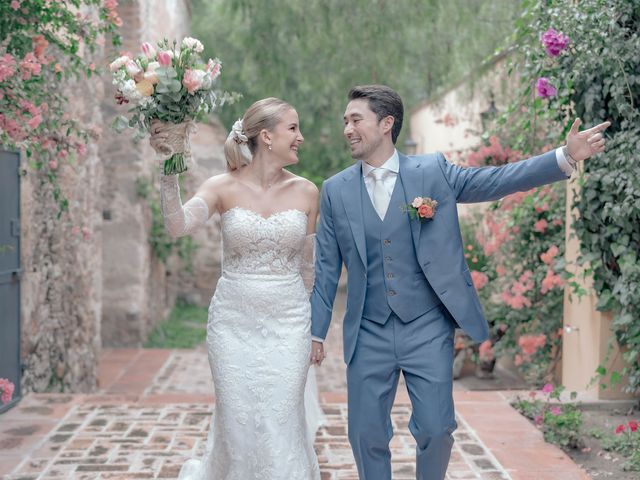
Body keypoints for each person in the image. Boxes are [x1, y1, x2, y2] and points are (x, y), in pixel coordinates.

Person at [309, 84, 610, 480]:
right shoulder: (335, 190)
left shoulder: (432, 171)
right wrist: (316, 332)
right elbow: (326, 267)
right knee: (365, 433)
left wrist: (564, 156)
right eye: (345, 120)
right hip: (368, 330)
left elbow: (496, 180)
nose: (347, 128)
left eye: (355, 119)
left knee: (436, 427)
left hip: (427, 325)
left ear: (386, 123)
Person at [150, 97, 324, 480]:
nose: (300, 137)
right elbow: (177, 226)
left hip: (289, 322)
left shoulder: (307, 192)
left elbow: (309, 270)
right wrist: (169, 170)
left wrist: (315, 331)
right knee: (238, 419)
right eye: (293, 128)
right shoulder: (220, 187)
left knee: (281, 416)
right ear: (266, 136)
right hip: (233, 323)